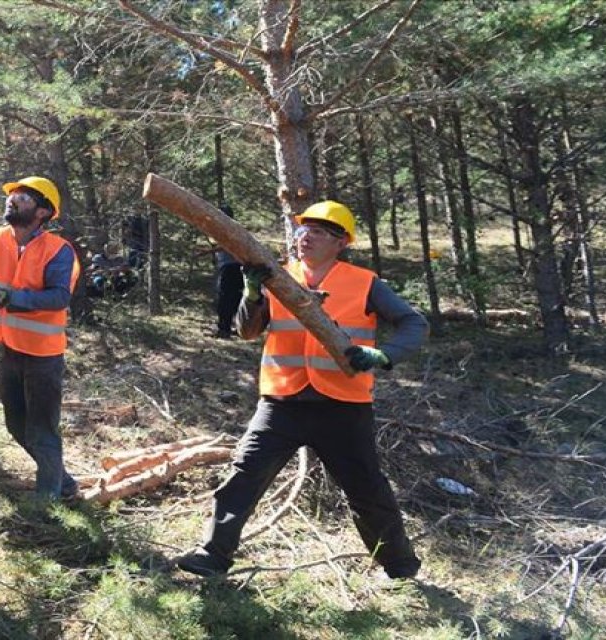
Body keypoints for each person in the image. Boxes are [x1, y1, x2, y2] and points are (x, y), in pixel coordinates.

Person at [176, 200, 429, 580]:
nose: (305, 237)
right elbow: (247, 331)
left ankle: (400, 567)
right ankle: (213, 555)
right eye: (301, 230)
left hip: (343, 405)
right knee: (243, 476)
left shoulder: (365, 283)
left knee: (368, 492)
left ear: (341, 242)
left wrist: (383, 355)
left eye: (318, 232)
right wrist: (252, 295)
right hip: (282, 401)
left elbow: (414, 324)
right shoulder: (278, 277)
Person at [0, 176, 81, 501]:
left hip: (43, 356)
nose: (13, 200)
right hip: (8, 349)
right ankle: (64, 483)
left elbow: (58, 298)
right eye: (13, 195)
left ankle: (48, 500)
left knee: (42, 429)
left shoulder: (58, 251)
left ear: (43, 212)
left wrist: (13, 297)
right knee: (15, 425)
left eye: (24, 197)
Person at [212, 205, 244, 339]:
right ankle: (233, 327)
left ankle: (224, 329)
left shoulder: (229, 229)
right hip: (234, 266)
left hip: (230, 267)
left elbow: (227, 246)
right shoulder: (229, 228)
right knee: (233, 298)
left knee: (226, 298)